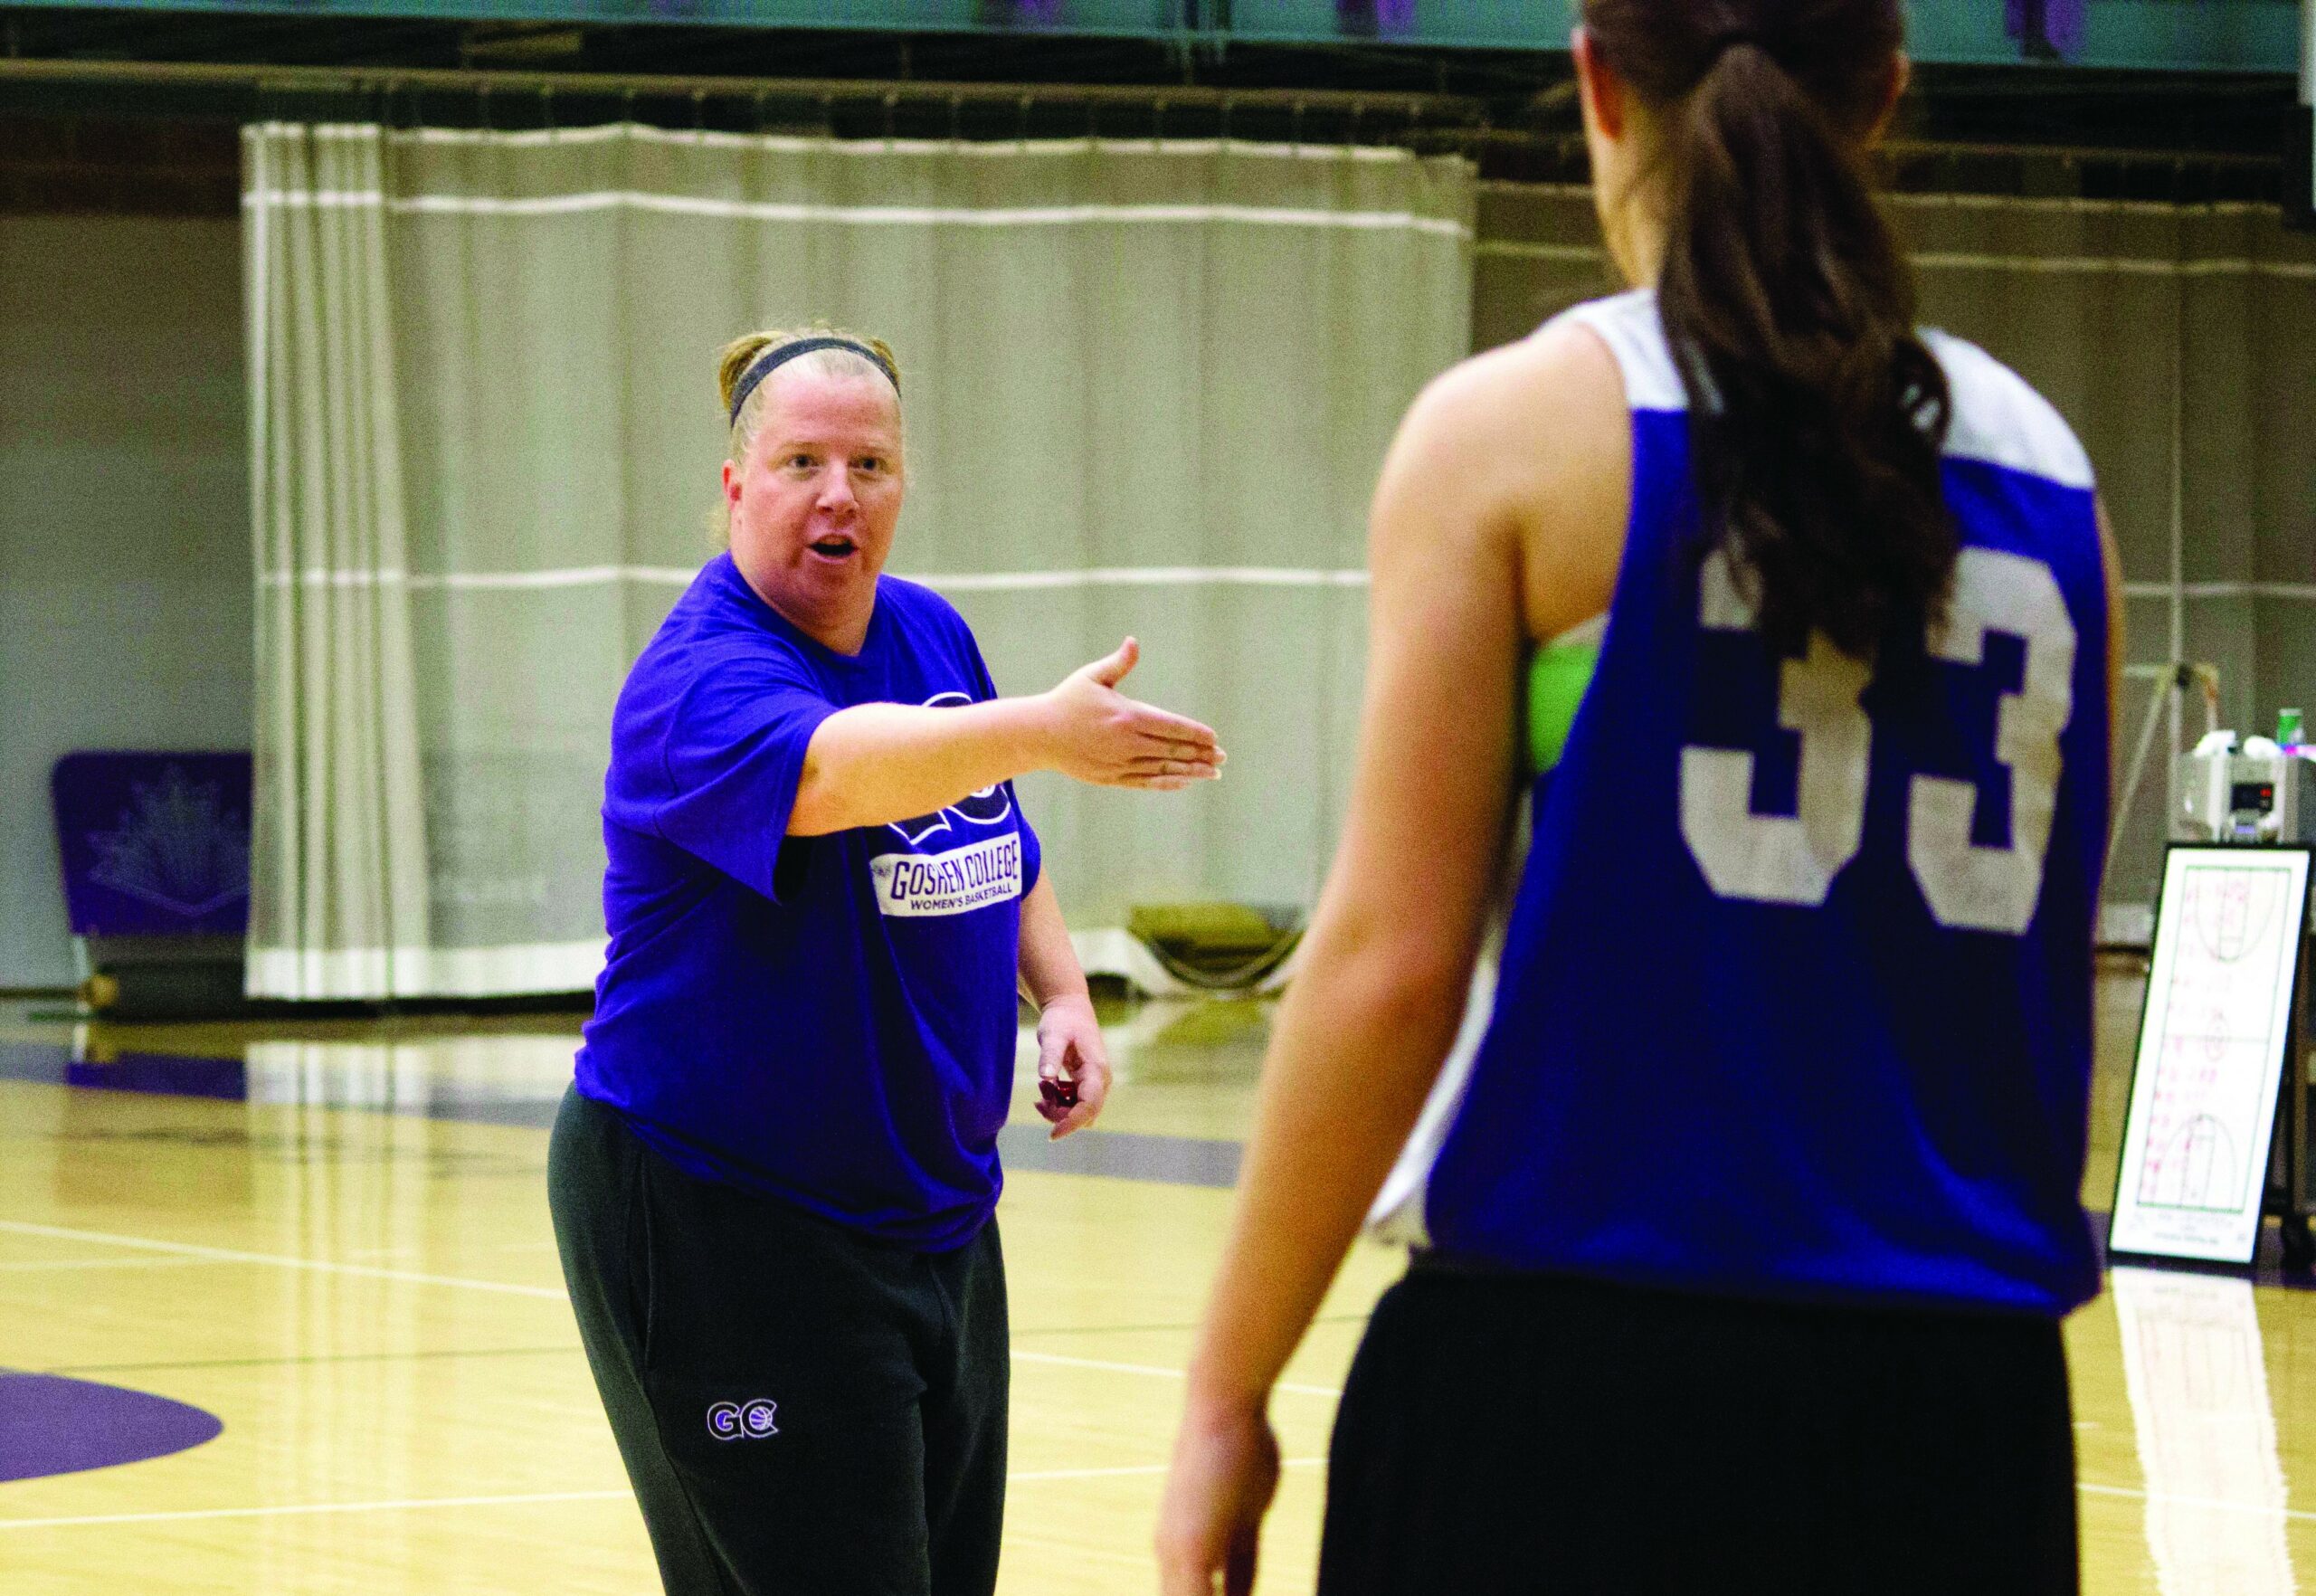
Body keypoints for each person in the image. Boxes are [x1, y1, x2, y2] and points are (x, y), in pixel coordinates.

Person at [1156, 1, 2122, 1591]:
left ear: (1597, 82)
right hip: (1959, 1408)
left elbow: (1392, 968)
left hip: (1568, 1378)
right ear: (1885, 94)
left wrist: (1225, 1394)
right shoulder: (2052, 470)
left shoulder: (1517, 434)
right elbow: (2049, 982)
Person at [547, 325, 1223, 1596]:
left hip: (931, 1217)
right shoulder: (700, 680)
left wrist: (1064, 990)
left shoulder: (927, 633)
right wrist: (1042, 730)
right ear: (738, 484)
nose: (839, 493)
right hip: (720, 1224)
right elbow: (833, 774)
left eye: (871, 463)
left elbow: (993, 832)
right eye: (801, 460)